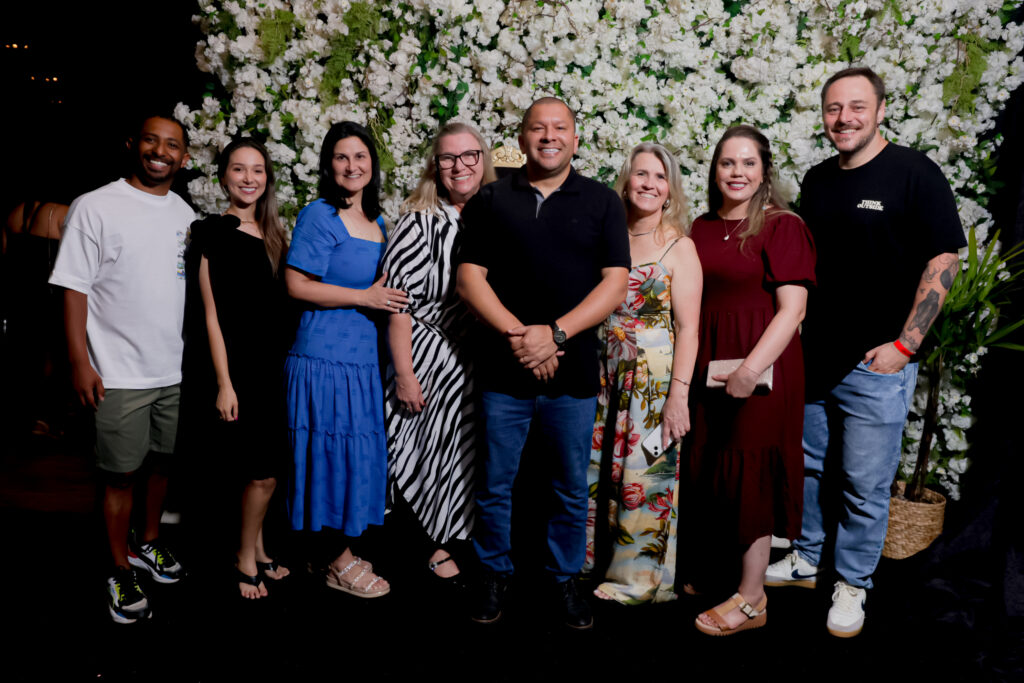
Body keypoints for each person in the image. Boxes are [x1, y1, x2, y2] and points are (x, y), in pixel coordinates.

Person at [765, 67, 965, 638]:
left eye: (856, 106)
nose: (844, 118)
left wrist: (906, 345)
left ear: (880, 110)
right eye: (833, 108)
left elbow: (944, 259)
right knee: (809, 468)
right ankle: (808, 557)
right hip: (814, 356)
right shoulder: (818, 179)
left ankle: (852, 583)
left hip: (876, 365)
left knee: (863, 484)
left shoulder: (915, 173)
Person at [457, 96, 630, 629]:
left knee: (569, 488)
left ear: (575, 139)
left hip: (572, 375)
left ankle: (563, 580)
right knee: (495, 484)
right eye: (538, 127)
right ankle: (493, 574)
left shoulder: (603, 201)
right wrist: (522, 337)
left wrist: (554, 335)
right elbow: (468, 278)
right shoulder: (491, 199)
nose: (549, 136)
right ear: (522, 138)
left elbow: (615, 284)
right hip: (503, 373)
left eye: (560, 128)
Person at [48, 114, 194, 623]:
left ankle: (147, 543)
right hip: (117, 372)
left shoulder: (184, 213)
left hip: (172, 371)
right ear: (133, 145)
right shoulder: (96, 205)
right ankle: (117, 567)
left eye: (171, 145)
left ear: (184, 158)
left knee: (163, 465)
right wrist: (79, 361)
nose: (160, 151)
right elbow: (73, 288)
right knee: (121, 474)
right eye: (151, 140)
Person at [687, 125, 816, 636]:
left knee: (752, 473)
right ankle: (724, 571)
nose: (736, 172)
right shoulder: (699, 226)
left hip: (762, 368)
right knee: (715, 463)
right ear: (714, 170)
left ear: (764, 172)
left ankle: (752, 598)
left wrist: (749, 370)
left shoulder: (782, 226)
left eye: (748, 163)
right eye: (727, 163)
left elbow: (793, 310)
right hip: (710, 363)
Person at [284, 121, 406, 597]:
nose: (351, 166)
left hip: (362, 362)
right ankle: (336, 562)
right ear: (328, 165)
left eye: (360, 156)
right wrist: (364, 297)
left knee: (352, 457)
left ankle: (334, 553)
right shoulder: (319, 215)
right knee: (329, 458)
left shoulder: (377, 223)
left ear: (372, 164)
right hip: (323, 359)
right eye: (341, 157)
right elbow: (296, 285)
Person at [585, 143, 701, 604]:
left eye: (659, 177)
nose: (649, 184)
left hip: (652, 378)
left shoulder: (679, 246)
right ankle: (590, 562)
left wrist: (679, 396)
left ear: (670, 189)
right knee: (595, 471)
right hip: (604, 370)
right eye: (641, 174)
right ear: (626, 181)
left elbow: (689, 328)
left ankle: (637, 581)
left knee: (643, 475)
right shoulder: (608, 235)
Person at [382, 122, 496, 583]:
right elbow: (398, 305)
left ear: (483, 159)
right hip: (426, 353)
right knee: (423, 452)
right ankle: (428, 546)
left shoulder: (494, 214)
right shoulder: (420, 221)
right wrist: (404, 374)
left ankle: (453, 540)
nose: (459, 165)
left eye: (469, 155)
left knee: (461, 456)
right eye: (448, 158)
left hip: (474, 359)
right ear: (436, 166)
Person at [184, 138, 292, 598]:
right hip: (239, 369)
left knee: (267, 470)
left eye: (258, 170)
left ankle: (260, 549)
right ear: (224, 176)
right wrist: (224, 383)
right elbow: (210, 314)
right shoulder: (211, 232)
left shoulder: (274, 233)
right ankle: (244, 558)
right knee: (261, 472)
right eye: (239, 169)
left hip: (273, 367)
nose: (249, 178)